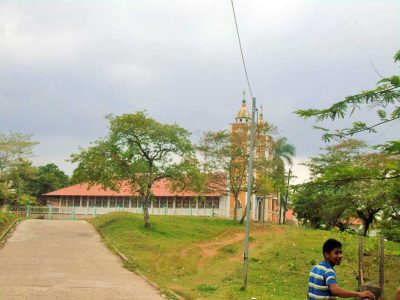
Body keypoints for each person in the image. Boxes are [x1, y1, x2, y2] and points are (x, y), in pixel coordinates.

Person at [308, 238, 375, 299]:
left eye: (340, 252)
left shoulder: (314, 269)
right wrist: (359, 294)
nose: (340, 256)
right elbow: (335, 291)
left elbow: (310, 294)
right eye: (336, 253)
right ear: (327, 254)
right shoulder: (328, 271)